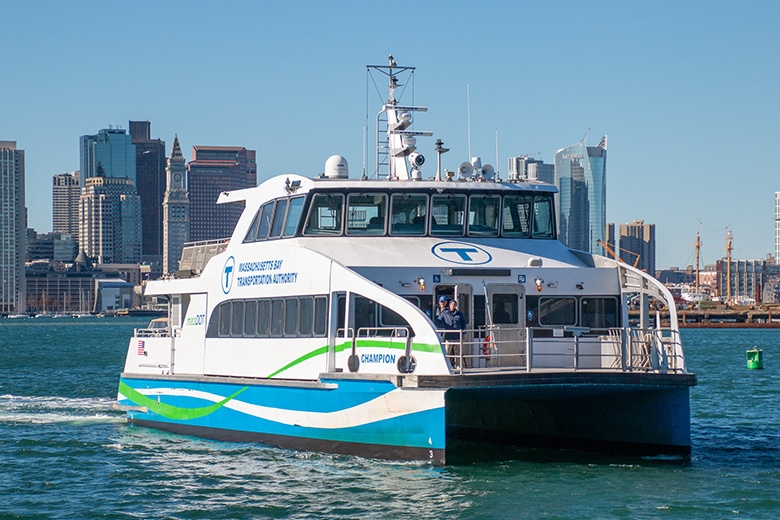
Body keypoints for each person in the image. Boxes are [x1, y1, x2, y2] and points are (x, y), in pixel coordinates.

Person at [442, 299, 466, 368]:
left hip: (458, 336)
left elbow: (463, 324)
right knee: (447, 352)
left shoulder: (460, 314)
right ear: (449, 305)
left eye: (454, 304)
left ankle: (458, 366)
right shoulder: (445, 313)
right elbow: (439, 320)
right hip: (449, 336)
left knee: (458, 353)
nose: (453, 305)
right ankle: (446, 366)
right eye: (452, 304)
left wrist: (463, 333)